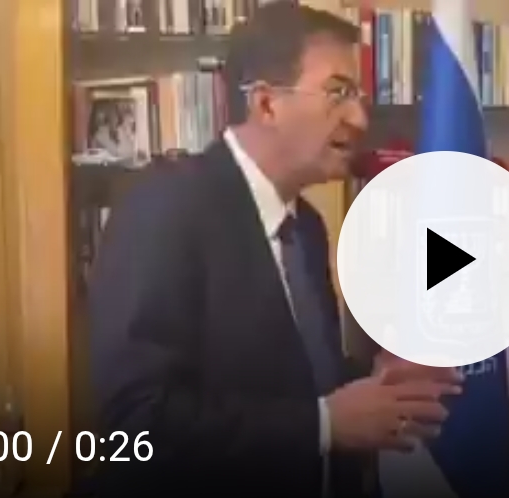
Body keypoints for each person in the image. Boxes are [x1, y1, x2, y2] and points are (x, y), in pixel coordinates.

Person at [87, 4, 461, 497]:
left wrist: (378, 380)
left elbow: (292, 379)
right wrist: (324, 425)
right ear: (266, 104)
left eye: (359, 96)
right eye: (338, 93)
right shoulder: (166, 207)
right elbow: (135, 423)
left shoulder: (306, 227)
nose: (359, 118)